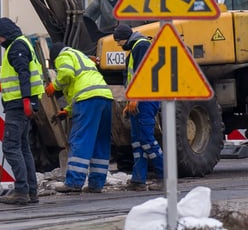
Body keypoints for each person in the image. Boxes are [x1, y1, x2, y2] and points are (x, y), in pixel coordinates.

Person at [45, 42, 114, 193]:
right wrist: (68, 111)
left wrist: (54, 86)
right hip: (105, 97)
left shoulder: (63, 56)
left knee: (81, 139)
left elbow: (67, 74)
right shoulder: (81, 57)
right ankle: (96, 183)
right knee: (100, 141)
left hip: (88, 99)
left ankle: (74, 182)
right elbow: (82, 83)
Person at [0, 17, 42, 205]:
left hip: (18, 105)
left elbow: (23, 73)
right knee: (23, 147)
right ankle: (31, 190)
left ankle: (22, 190)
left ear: (7, 35)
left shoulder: (17, 48)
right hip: (22, 104)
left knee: (11, 147)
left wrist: (26, 99)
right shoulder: (23, 44)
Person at [113, 23, 164, 191]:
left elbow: (143, 74)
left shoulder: (141, 45)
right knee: (137, 141)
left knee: (146, 139)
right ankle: (138, 179)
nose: (119, 46)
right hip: (139, 99)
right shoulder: (136, 47)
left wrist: (136, 97)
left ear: (124, 38)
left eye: (119, 42)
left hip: (146, 99)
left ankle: (165, 176)